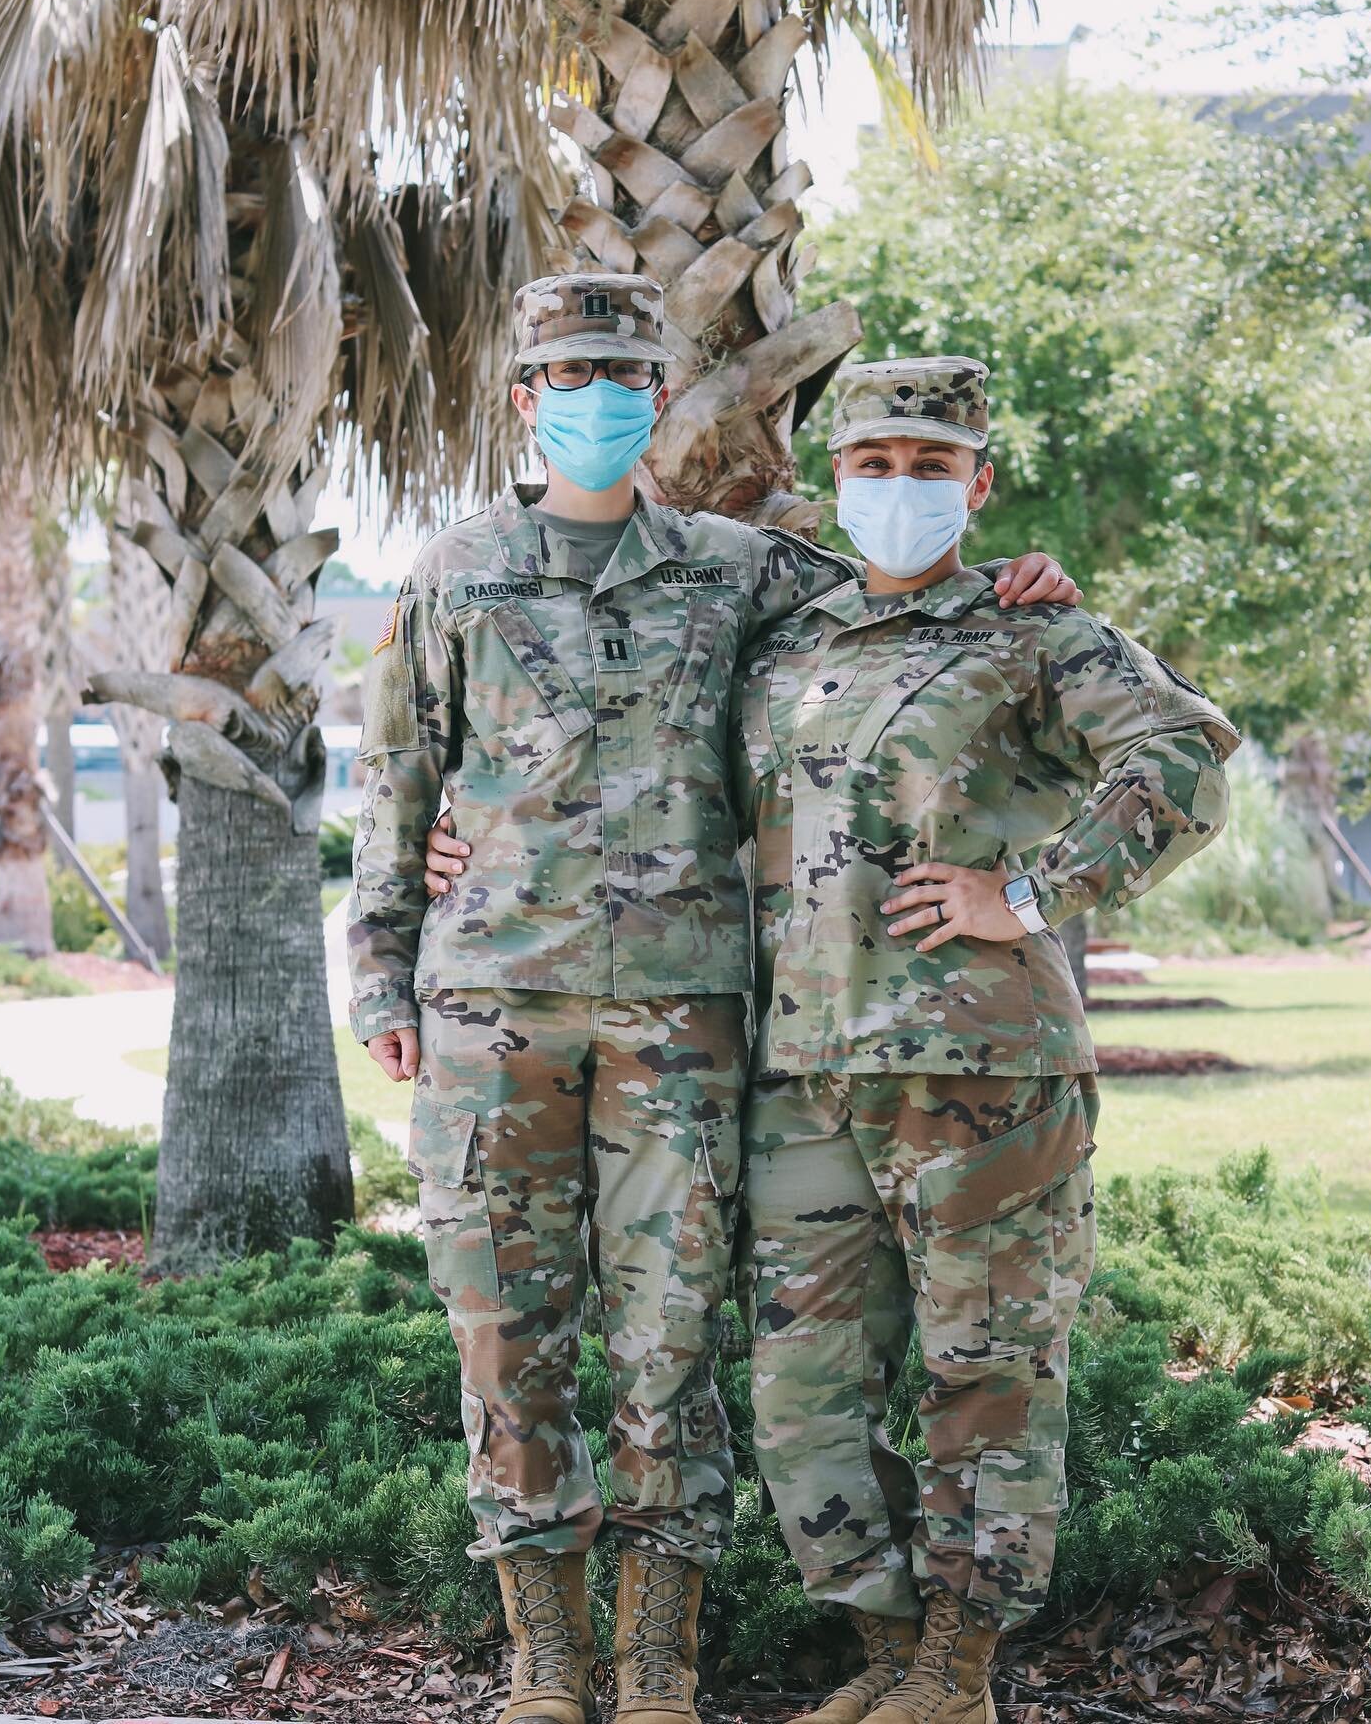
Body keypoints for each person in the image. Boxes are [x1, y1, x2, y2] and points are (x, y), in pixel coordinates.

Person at [352, 275, 1075, 1724]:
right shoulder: (455, 569)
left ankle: (655, 1664)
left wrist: (1021, 581)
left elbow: (899, 620)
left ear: (660, 395)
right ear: (526, 398)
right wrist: (383, 963)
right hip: (492, 1008)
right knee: (502, 1332)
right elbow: (398, 774)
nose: (600, 399)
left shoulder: (740, 569)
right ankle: (545, 1658)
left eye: (626, 374)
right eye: (572, 374)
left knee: (669, 1337)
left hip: (686, 1020)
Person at [729, 357, 1241, 1724]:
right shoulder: (784, 645)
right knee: (801, 1396)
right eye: (875, 464)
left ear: (980, 483)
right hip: (805, 1073)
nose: (900, 487)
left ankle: (958, 1675)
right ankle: (887, 1654)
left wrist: (1027, 894)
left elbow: (1185, 758)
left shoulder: (1036, 631)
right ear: (837, 478)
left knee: (988, 1377)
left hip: (986, 1072)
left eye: (932, 465)